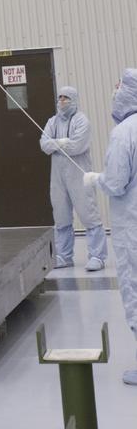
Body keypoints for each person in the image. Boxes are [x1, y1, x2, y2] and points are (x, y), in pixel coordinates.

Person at [84, 69, 137, 385]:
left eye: (118, 87)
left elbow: (116, 183)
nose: (114, 93)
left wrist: (95, 179)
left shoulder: (124, 133)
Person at [39, 86, 106, 271]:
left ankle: (97, 256)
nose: (62, 100)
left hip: (79, 174)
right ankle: (64, 255)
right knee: (61, 215)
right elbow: (44, 145)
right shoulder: (52, 121)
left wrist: (56, 143)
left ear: (74, 99)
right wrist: (63, 142)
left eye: (66, 97)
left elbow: (78, 146)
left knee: (88, 212)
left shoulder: (82, 120)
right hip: (58, 176)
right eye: (60, 97)